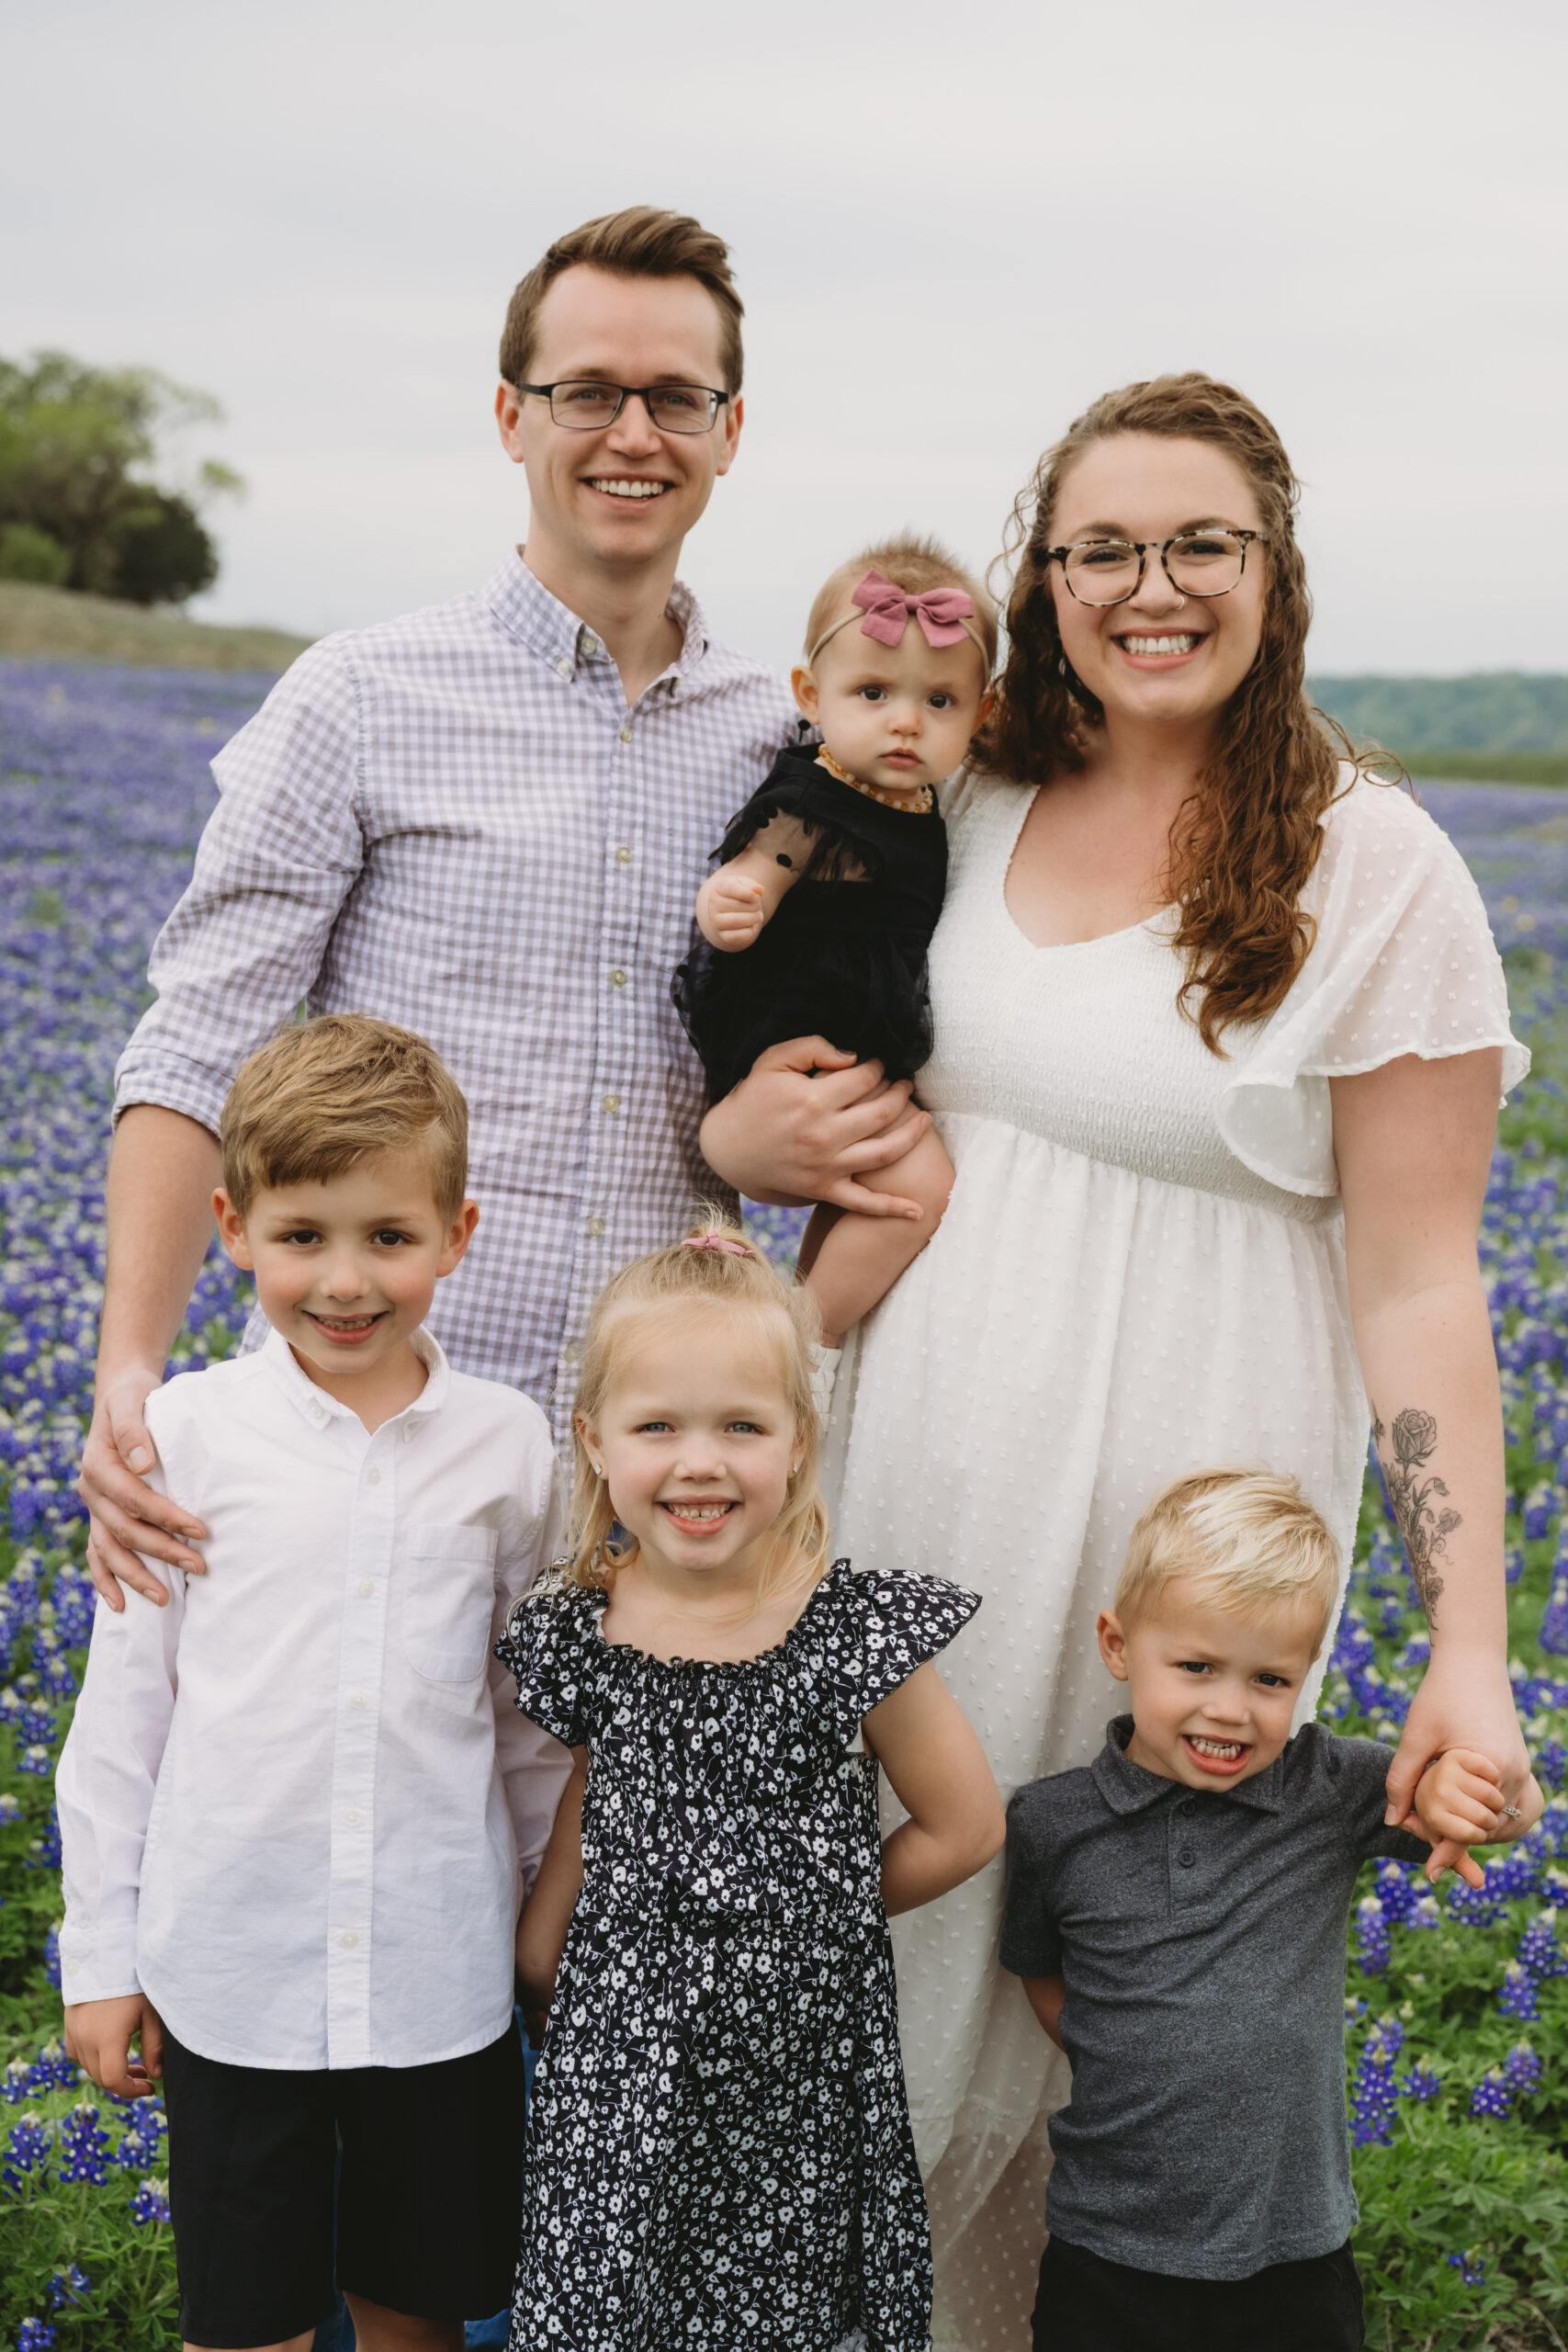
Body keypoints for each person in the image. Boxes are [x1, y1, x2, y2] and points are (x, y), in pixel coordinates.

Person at [699, 372, 1533, 2347]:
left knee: (1136, 2060)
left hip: (1186, 1563)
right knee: (864, 2024)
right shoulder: (946, 783)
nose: (1150, 588)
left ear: (1273, 570)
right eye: (1102, 550)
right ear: (1043, 573)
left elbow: (1421, 1285)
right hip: (899, 1487)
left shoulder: (1373, 862)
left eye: (1199, 545)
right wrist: (738, 1142)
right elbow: (767, 1011)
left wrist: (1469, 1646)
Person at [79, 202, 929, 1610]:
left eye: (674, 397)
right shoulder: (358, 696)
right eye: (586, 392)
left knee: (583, 1844)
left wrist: (792, 1133)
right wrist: (129, 1373)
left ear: (730, 430)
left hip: (651, 1498)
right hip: (369, 1439)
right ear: (508, 415)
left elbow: (869, 1020)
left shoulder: (790, 750)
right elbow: (194, 1051)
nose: (631, 434)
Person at [55, 1017, 569, 2352]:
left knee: (418, 2305)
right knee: (250, 2317)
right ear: (232, 1227)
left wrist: (536, 1925)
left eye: (389, 1238)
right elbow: (122, 1723)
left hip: (436, 1970)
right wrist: (102, 1957)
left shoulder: (512, 1449)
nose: (345, 1281)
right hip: (234, 1972)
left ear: (458, 1235)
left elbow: (522, 1722)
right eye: (302, 1237)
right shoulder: (181, 1433)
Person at [494, 1219, 1005, 2352]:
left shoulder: (849, 1627)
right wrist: (544, 1941)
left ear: (799, 1438)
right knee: (611, 2298)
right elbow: (597, 1793)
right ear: (593, 1440)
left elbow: (964, 1824)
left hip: (800, 2067)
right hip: (623, 2052)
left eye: (741, 1425)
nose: (700, 1461)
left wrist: (810, 1907)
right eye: (657, 1426)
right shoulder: (583, 1626)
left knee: (781, 2313)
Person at [1001, 1468, 1543, 2352]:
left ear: (1308, 1674)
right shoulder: (1053, 1822)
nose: (1229, 1708)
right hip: (1110, 2243)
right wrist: (1141, 2047)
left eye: (1268, 1679)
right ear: (1116, 1644)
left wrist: (1468, 1789)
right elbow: (1039, 1970)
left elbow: (1518, 1818)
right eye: (1195, 1666)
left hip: (1292, 2247)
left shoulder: (1328, 1787)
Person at [675, 537, 995, 1378]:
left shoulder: (917, 801)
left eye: (939, 702)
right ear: (809, 697)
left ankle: (801, 1324)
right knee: (915, 1189)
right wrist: (730, 903)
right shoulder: (817, 799)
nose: (904, 720)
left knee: (862, 1197)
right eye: (872, 692)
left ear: (981, 718)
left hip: (849, 1048)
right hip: (798, 1040)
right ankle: (800, 1350)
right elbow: (757, 868)